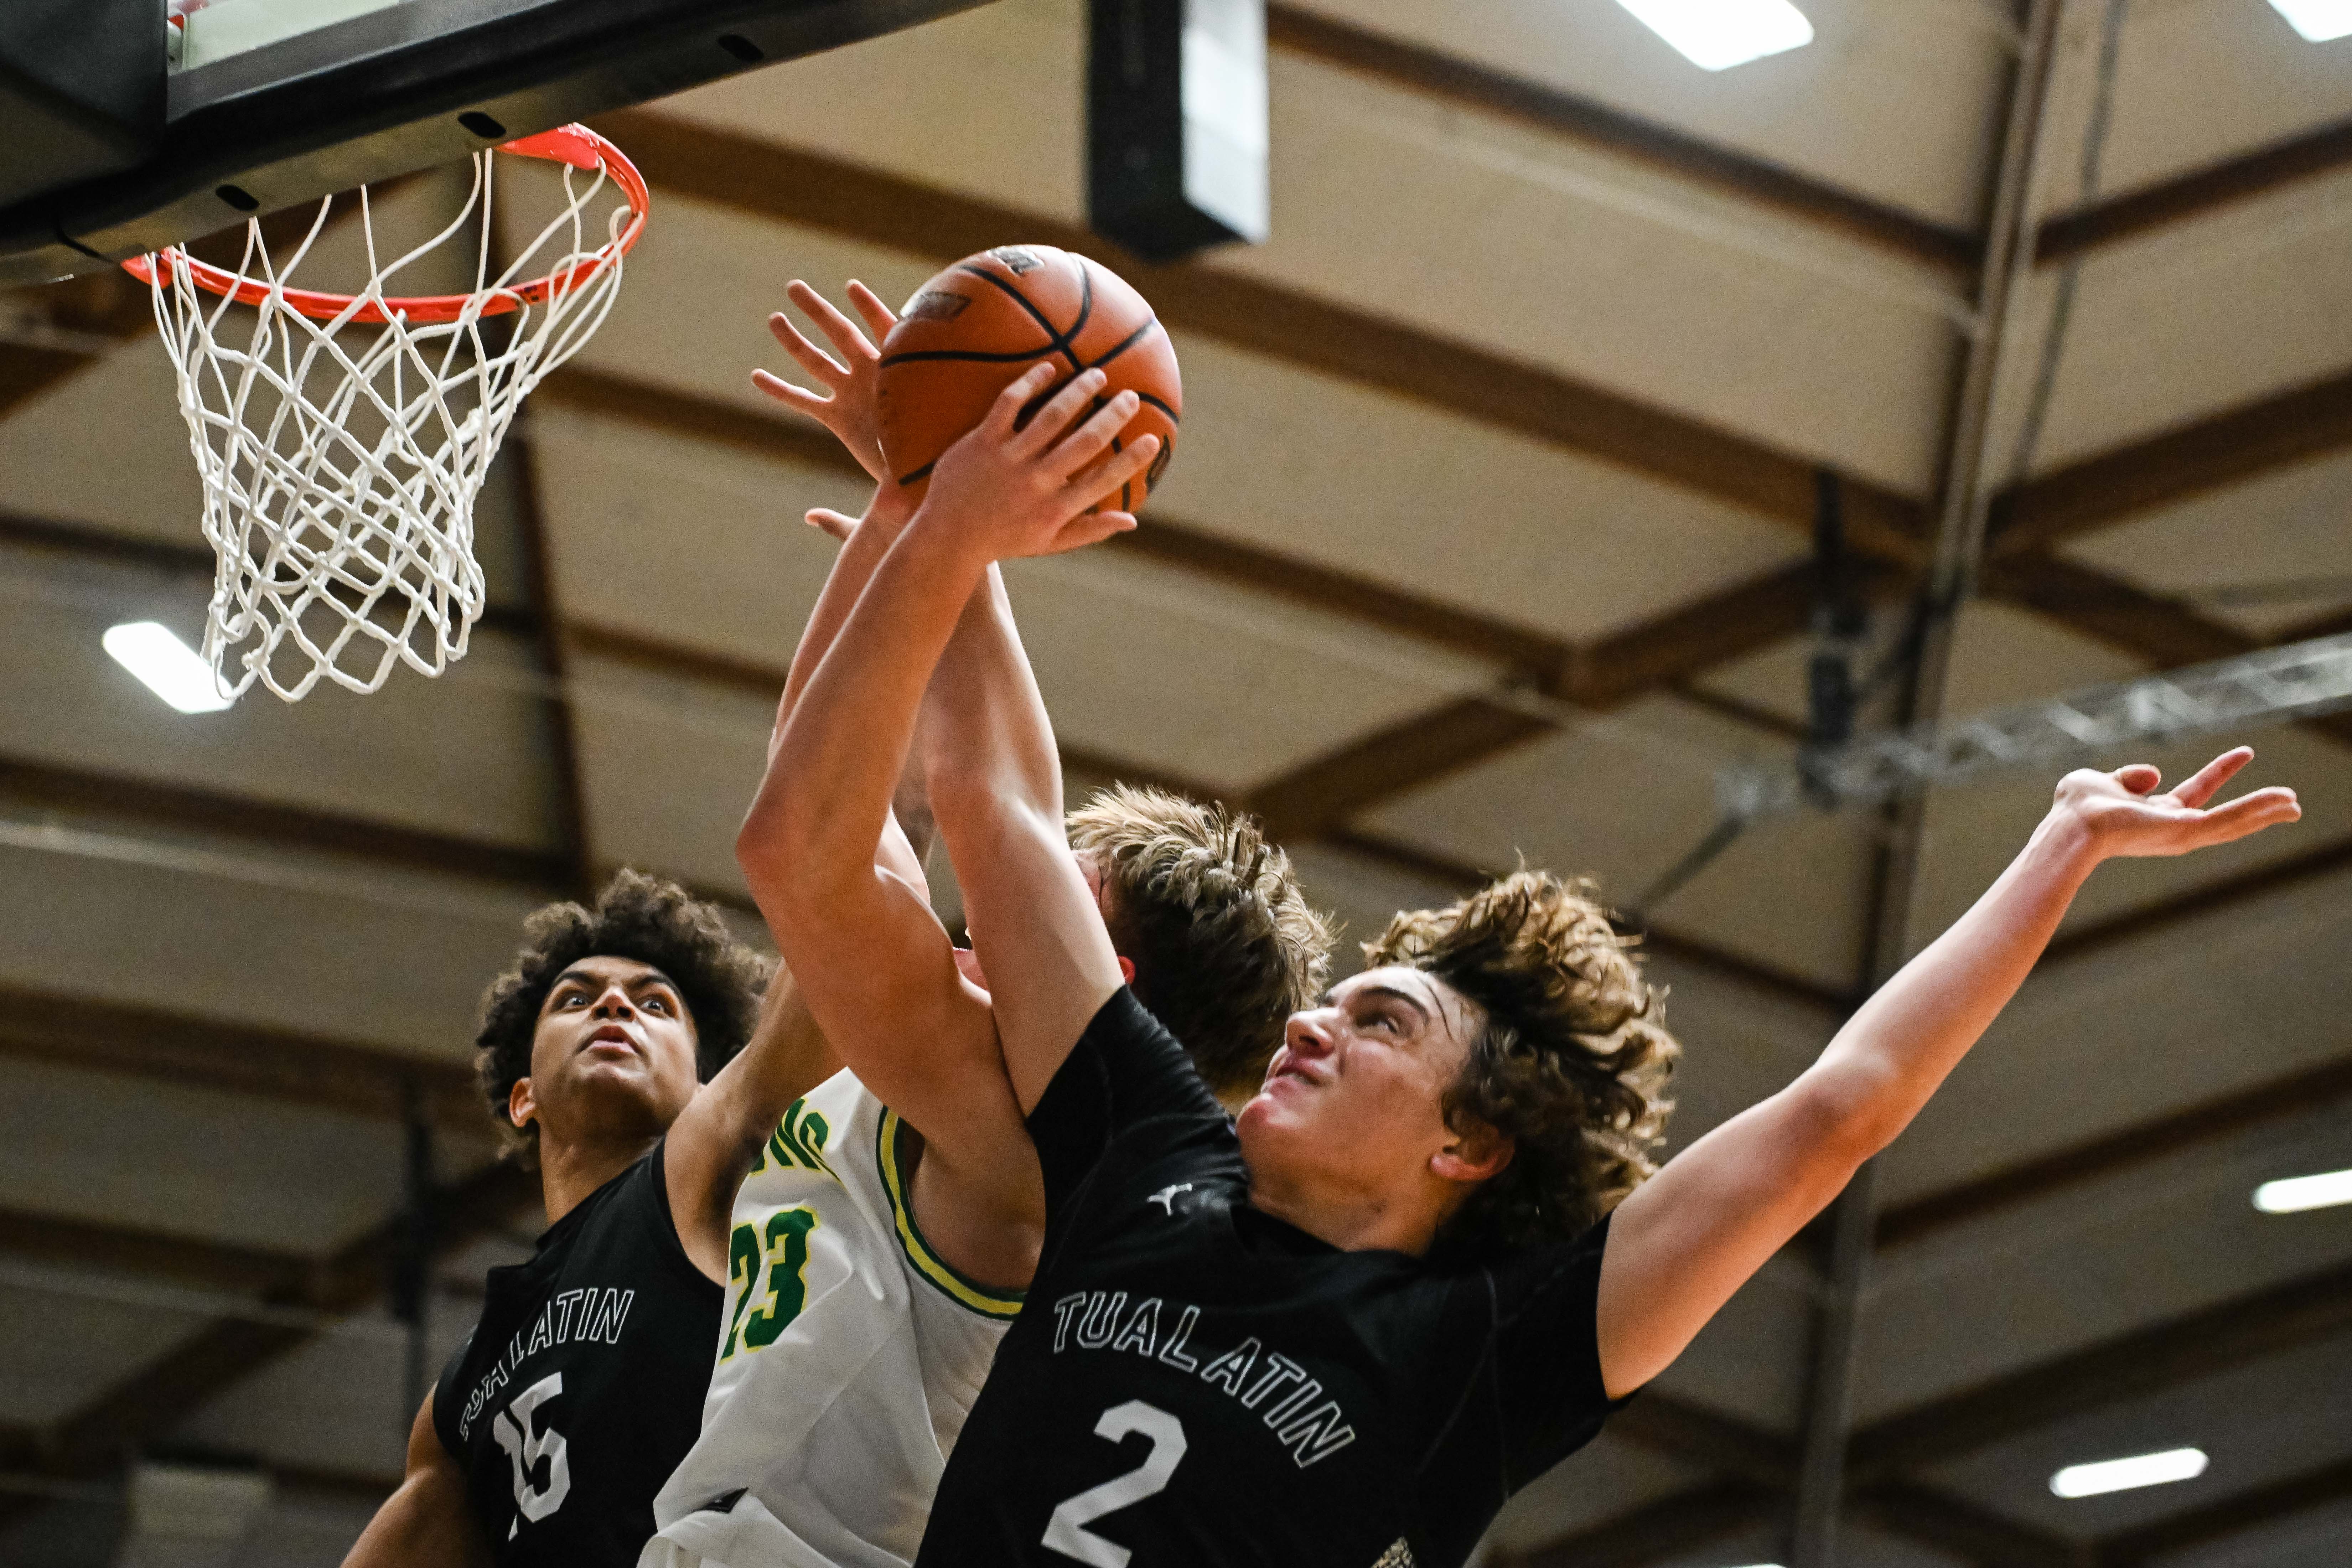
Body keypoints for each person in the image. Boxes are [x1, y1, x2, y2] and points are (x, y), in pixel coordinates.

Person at [757, 359, 2305, 1568]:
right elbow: (1006, 805)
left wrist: (2060, 846)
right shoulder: (1147, 1148)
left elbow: (1844, 1107)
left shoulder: (1484, 1354)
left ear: (1466, 1139)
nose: (1307, 1022)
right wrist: (942, 480)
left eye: (1377, 1020)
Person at [639, 282, 1331, 1568]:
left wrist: (950, 521)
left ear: (1105, 973)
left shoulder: (1019, 1145)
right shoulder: (975, 1062)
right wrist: (924, 486)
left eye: (1044, 897)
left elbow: (806, 841)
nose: (986, 897)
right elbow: (850, 777)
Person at [344, 871, 835, 1568]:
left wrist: (895, 797)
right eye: (576, 998)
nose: (613, 1003)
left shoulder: (705, 1180)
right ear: (523, 1098)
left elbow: (838, 942)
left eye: (655, 1004)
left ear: (704, 1086)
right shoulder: (459, 1397)